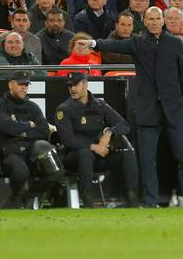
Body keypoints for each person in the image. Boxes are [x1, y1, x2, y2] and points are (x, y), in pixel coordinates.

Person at [76, 6, 183, 208]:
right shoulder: (137, 43)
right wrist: (92, 43)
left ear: (163, 21)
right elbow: (112, 44)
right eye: (149, 19)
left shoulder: (175, 44)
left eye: (156, 18)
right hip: (148, 109)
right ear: (145, 21)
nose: (152, 22)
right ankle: (151, 202)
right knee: (147, 159)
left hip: (175, 108)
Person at [56, 72, 139, 208]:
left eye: (75, 85)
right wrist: (94, 147)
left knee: (127, 154)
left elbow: (124, 125)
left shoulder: (100, 105)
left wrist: (109, 133)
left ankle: (132, 200)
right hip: (74, 158)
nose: (72, 89)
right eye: (70, 86)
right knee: (85, 153)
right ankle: (89, 203)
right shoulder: (64, 109)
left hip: (99, 158)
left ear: (85, 84)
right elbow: (68, 140)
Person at [0, 71, 62, 209]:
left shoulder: (32, 106)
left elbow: (44, 131)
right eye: (21, 84)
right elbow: (6, 126)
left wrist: (23, 133)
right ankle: (14, 199)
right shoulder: (1, 105)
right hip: (11, 151)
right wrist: (28, 125)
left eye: (26, 84)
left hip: (33, 152)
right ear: (10, 84)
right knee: (21, 172)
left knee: (56, 172)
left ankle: (28, 196)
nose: (24, 88)